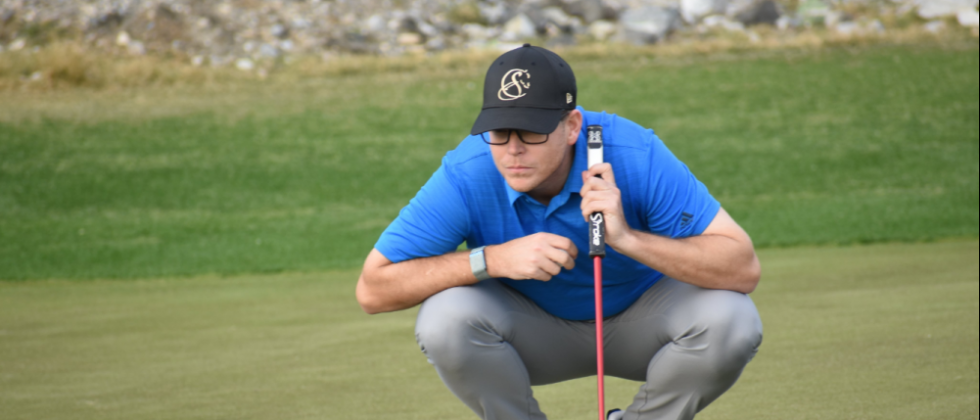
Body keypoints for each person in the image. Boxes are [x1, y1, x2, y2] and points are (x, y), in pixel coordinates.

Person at [356, 44, 763, 420]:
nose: (513, 149)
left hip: (646, 324)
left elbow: (741, 268)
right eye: (499, 131)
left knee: (732, 318)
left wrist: (628, 239)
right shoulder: (467, 171)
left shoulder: (634, 153)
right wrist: (492, 259)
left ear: (571, 126)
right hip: (530, 333)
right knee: (445, 318)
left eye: (531, 131)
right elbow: (373, 290)